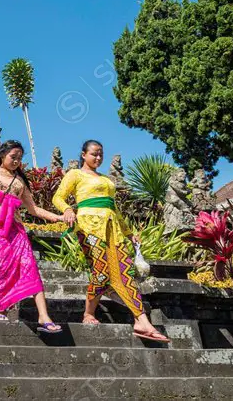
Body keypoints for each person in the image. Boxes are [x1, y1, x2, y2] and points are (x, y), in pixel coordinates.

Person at [52, 139, 171, 343]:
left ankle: (141, 321)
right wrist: (68, 209)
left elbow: (113, 209)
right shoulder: (75, 174)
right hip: (89, 226)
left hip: (112, 228)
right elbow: (58, 198)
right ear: (83, 155)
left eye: (100, 154)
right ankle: (89, 313)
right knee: (101, 272)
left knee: (124, 273)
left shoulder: (106, 179)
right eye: (94, 154)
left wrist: (128, 233)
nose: (98, 158)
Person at [0, 140, 65, 333]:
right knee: (5, 266)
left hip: (16, 228)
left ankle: (44, 316)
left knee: (29, 265)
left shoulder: (20, 181)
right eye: (12, 157)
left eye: (19, 158)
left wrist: (57, 217)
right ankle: (2, 309)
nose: (16, 161)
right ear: (2, 155)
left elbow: (33, 209)